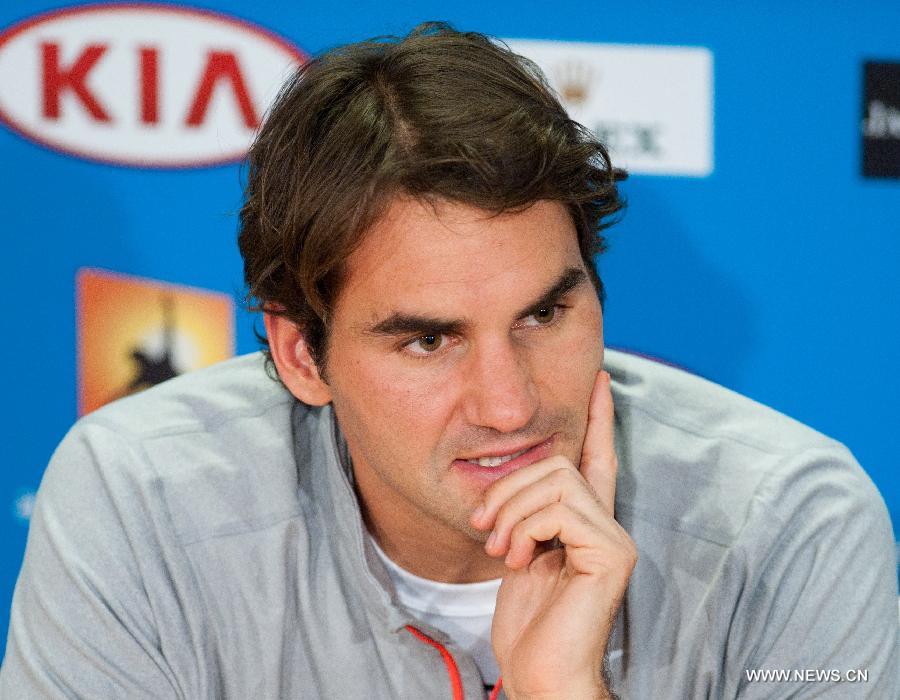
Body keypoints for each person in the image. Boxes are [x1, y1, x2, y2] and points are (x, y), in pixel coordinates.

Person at [1, 22, 897, 700]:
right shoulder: (141, 504)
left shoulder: (789, 529)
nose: (511, 407)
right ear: (299, 355)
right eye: (429, 340)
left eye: (546, 312)